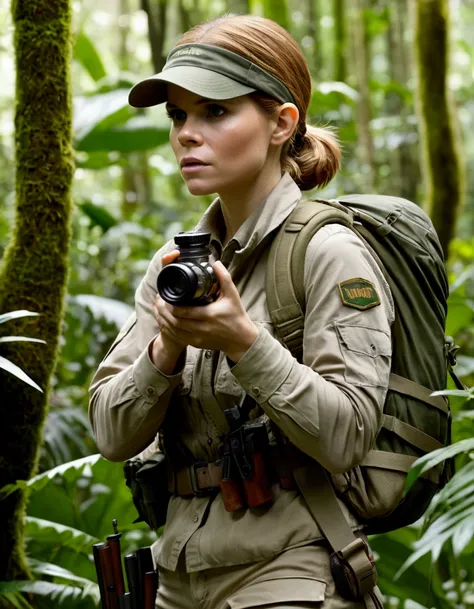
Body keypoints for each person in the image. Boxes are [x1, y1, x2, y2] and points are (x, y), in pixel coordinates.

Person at [89, 13, 393, 609]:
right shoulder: (173, 266)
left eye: (215, 111)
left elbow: (348, 435)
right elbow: (110, 432)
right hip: (176, 576)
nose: (186, 134)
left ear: (282, 123)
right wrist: (165, 350)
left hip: (294, 570)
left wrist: (245, 342)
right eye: (178, 115)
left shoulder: (327, 251)